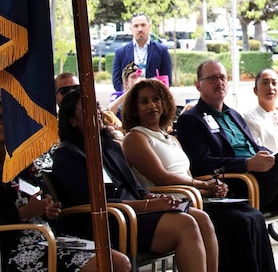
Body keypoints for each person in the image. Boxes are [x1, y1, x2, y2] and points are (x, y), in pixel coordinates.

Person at [53, 88, 219, 272]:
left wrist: (156, 199)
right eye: (87, 108)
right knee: (186, 225)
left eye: (98, 106)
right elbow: (95, 204)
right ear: (72, 120)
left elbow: (136, 188)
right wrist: (148, 206)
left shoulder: (111, 146)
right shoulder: (67, 155)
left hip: (134, 212)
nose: (98, 112)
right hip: (109, 221)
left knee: (202, 218)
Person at [0, 88, 131, 272]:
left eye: (11, 119)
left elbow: (39, 201)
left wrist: (48, 209)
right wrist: (22, 213)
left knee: (120, 262)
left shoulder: (22, 165)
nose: (7, 124)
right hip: (11, 248)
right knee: (100, 266)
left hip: (48, 238)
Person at [122, 78, 277, 272]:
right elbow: (162, 177)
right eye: (144, 101)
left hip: (192, 198)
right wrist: (201, 185)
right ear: (134, 109)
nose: (153, 105)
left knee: (253, 215)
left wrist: (211, 187)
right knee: (238, 221)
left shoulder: (170, 139)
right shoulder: (136, 137)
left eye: (156, 99)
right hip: (166, 203)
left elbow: (186, 176)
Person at [176, 60, 278, 212]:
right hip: (241, 184)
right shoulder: (191, 119)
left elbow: (254, 147)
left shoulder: (234, 115)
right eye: (212, 78)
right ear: (198, 85)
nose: (219, 82)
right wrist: (246, 164)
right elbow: (201, 164)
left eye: (223, 78)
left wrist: (273, 159)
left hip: (267, 185)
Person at [111, 13, 172, 95]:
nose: (140, 29)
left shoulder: (162, 51)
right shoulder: (120, 52)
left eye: (143, 25)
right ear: (131, 28)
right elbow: (116, 81)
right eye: (136, 26)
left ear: (149, 26)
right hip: (129, 100)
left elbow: (167, 80)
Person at [243, 69, 278, 153]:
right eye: (265, 83)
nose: (270, 87)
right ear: (255, 90)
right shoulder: (249, 118)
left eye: (274, 83)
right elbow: (257, 150)